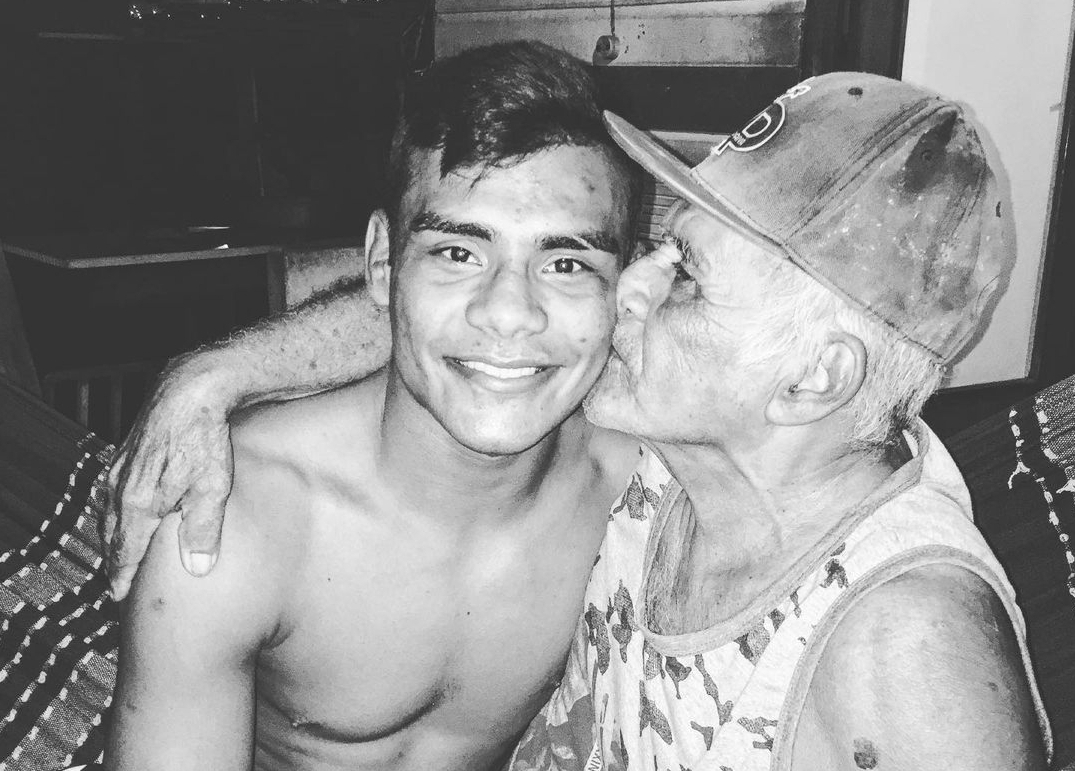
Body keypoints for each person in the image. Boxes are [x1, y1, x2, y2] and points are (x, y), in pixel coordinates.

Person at [108, 71, 1054, 769]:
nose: (626, 292)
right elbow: (473, 305)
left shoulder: (905, 649)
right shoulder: (673, 460)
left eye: (682, 276)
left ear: (813, 381)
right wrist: (215, 372)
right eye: (650, 253)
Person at [105, 40, 645, 771]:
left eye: (567, 262)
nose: (508, 313)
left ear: (626, 288)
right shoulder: (236, 521)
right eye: (458, 253)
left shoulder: (638, 495)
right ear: (382, 262)